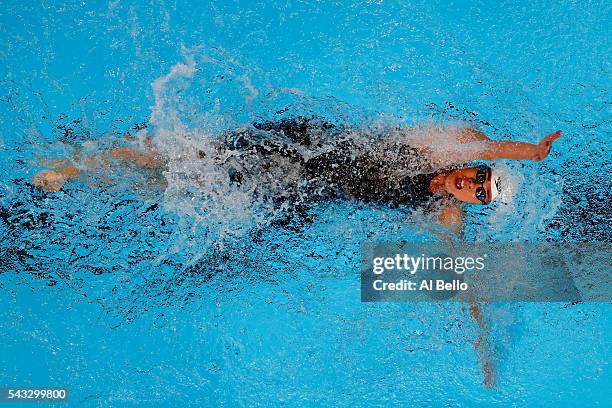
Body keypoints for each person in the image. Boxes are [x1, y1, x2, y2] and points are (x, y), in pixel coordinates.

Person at [33, 117, 562, 235]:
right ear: (470, 167)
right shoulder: (434, 150)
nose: (467, 187)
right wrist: (528, 154)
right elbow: (483, 142)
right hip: (298, 143)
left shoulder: (441, 210)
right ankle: (76, 164)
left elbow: (457, 270)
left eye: (478, 195)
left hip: (297, 185)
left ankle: (95, 168)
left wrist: (481, 341)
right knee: (196, 160)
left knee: (186, 183)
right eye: (477, 176)